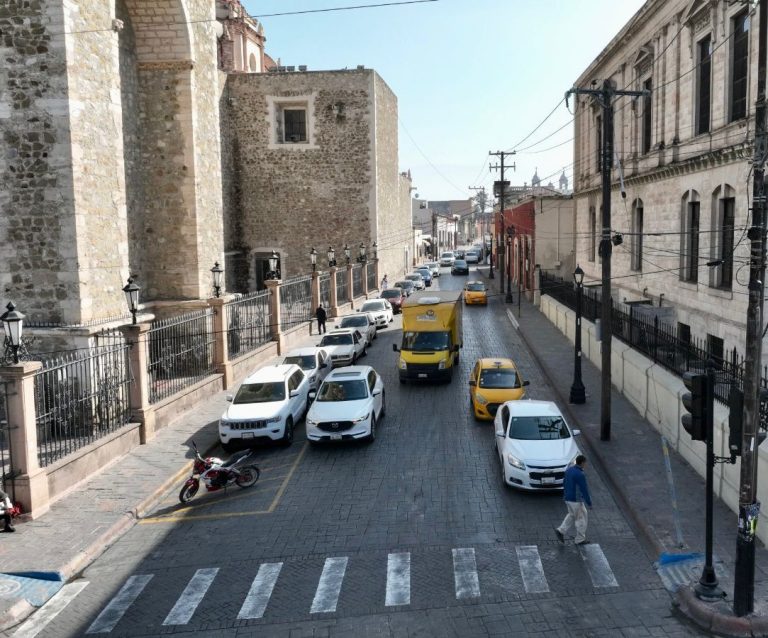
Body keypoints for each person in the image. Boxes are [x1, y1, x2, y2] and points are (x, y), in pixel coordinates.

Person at [555, 455, 591, 545]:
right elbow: (584, 489)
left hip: (568, 498)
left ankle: (561, 531)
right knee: (581, 518)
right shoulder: (580, 474)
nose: (585, 464)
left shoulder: (569, 470)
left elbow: (564, 482)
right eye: (585, 463)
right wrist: (589, 502)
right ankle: (580, 539)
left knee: (572, 515)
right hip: (576, 500)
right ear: (582, 462)